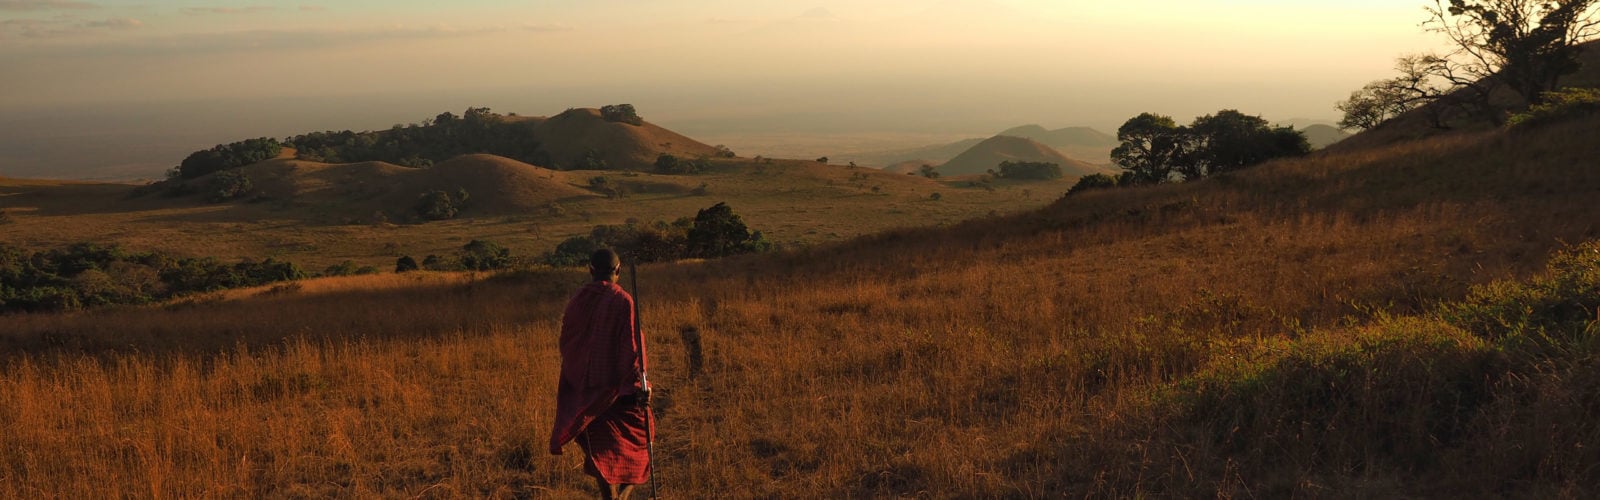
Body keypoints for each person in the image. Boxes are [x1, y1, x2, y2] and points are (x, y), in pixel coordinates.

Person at [549, 249, 652, 500]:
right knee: (639, 445)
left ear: (591, 270)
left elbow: (567, 343)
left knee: (600, 449)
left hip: (584, 392)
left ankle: (615, 497)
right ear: (618, 271)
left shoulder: (577, 301)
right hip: (617, 391)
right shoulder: (623, 300)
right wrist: (641, 386)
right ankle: (621, 496)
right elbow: (632, 347)